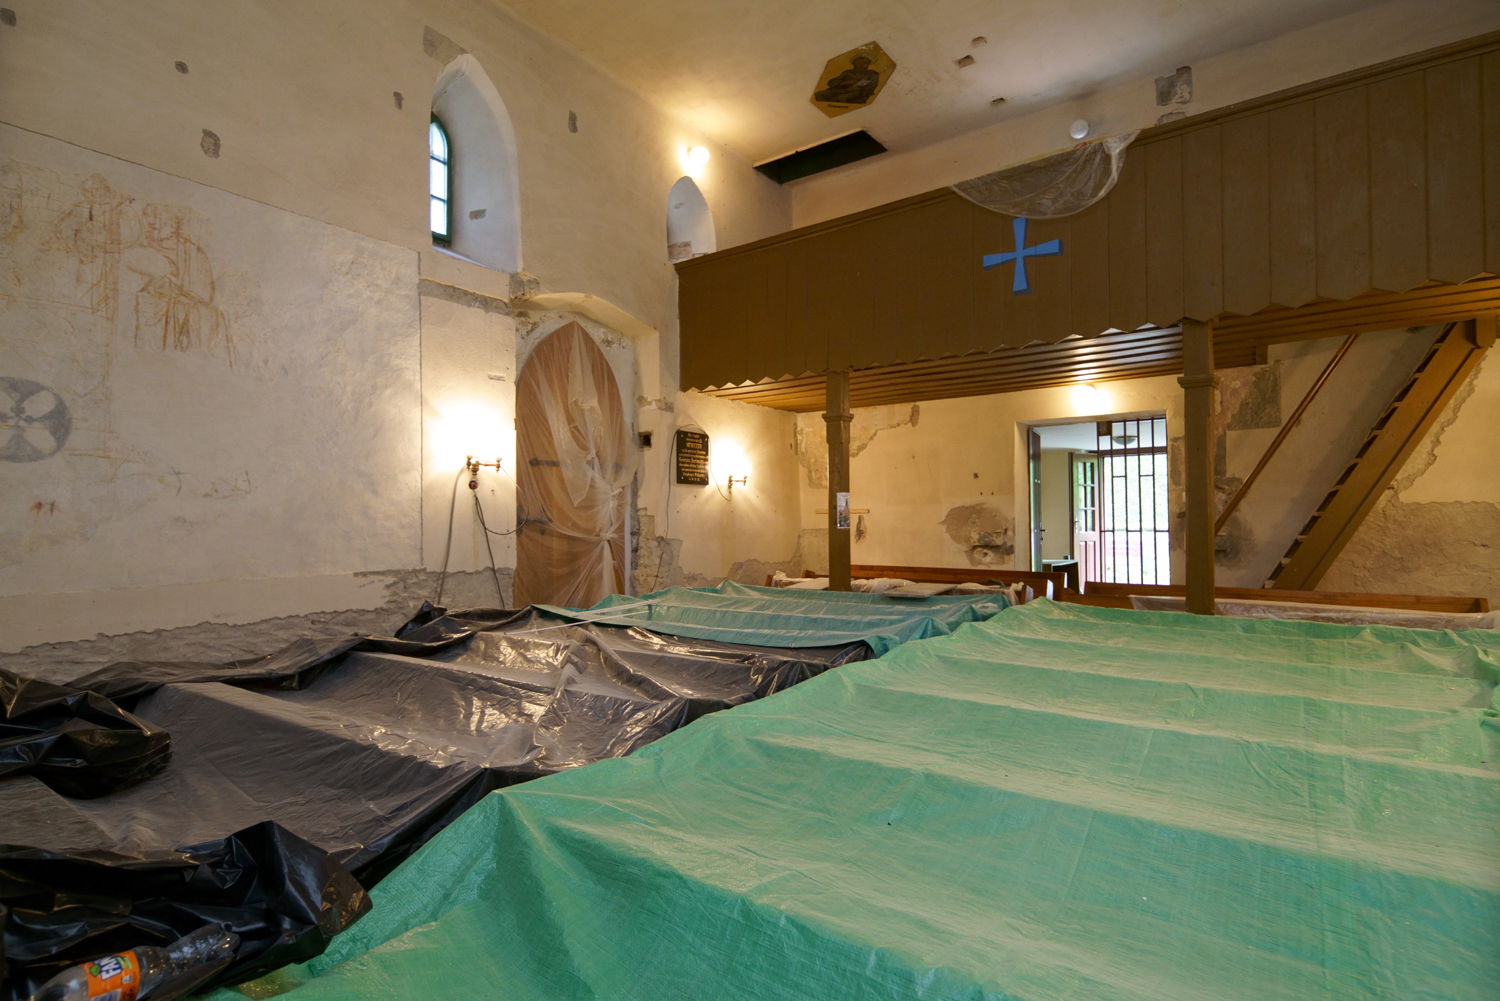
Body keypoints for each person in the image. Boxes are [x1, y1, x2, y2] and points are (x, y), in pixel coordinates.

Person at [815, 55, 880, 105]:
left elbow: (872, 86)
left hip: (859, 93)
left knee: (842, 97)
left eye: (864, 63)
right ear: (854, 64)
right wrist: (843, 82)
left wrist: (860, 88)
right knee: (819, 94)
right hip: (842, 90)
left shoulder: (872, 74)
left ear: (868, 63)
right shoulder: (848, 72)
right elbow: (831, 82)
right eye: (858, 63)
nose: (861, 65)